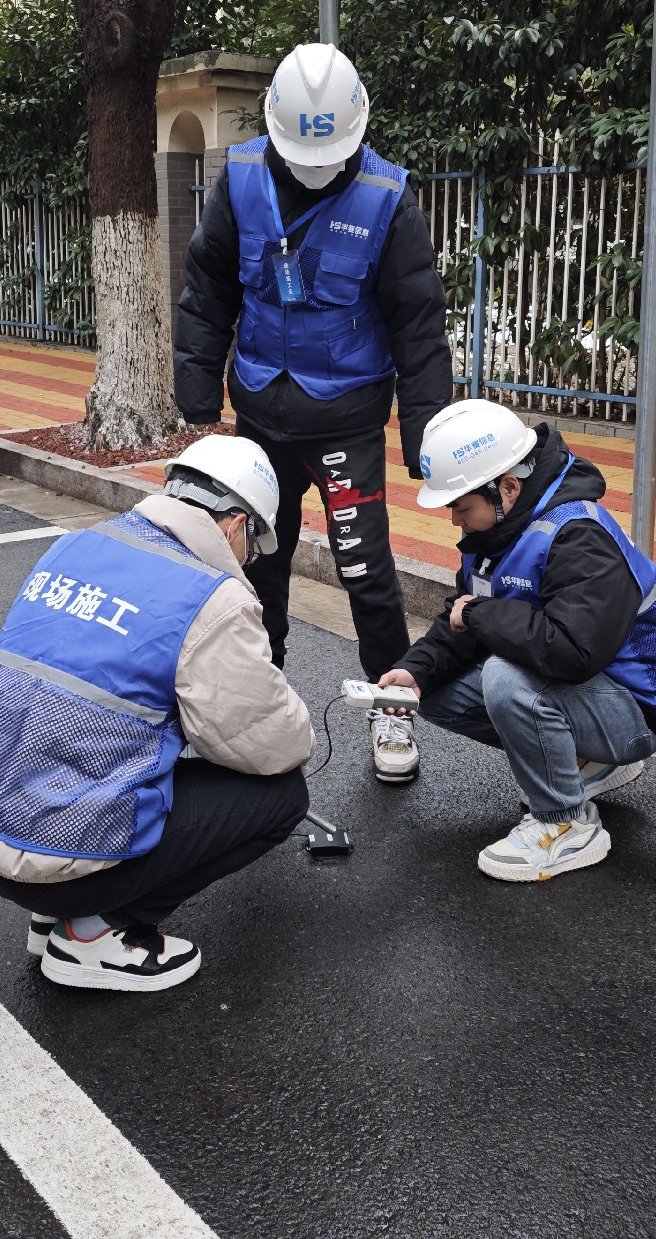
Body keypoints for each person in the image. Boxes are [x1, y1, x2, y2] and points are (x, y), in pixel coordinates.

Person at [0, 435, 313, 993]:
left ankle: (60, 913)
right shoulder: (211, 597)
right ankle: (94, 931)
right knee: (281, 797)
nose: (247, 561)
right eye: (253, 545)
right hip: (53, 858)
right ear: (235, 524)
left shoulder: (79, 545)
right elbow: (270, 744)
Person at [173, 42, 452, 786]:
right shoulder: (236, 182)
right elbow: (207, 294)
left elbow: (418, 327)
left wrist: (426, 433)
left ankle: (391, 712)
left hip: (349, 421)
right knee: (258, 574)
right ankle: (256, 714)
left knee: (368, 575)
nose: (315, 167)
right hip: (262, 417)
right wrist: (198, 399)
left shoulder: (389, 199)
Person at [377, 400, 656, 882]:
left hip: (639, 711)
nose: (455, 520)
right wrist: (415, 671)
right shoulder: (500, 532)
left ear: (507, 487)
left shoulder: (579, 534)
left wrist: (481, 615)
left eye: (460, 506)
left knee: (505, 677)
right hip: (588, 694)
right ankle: (583, 761)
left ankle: (565, 823)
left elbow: (572, 652)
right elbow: (466, 619)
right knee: (434, 692)